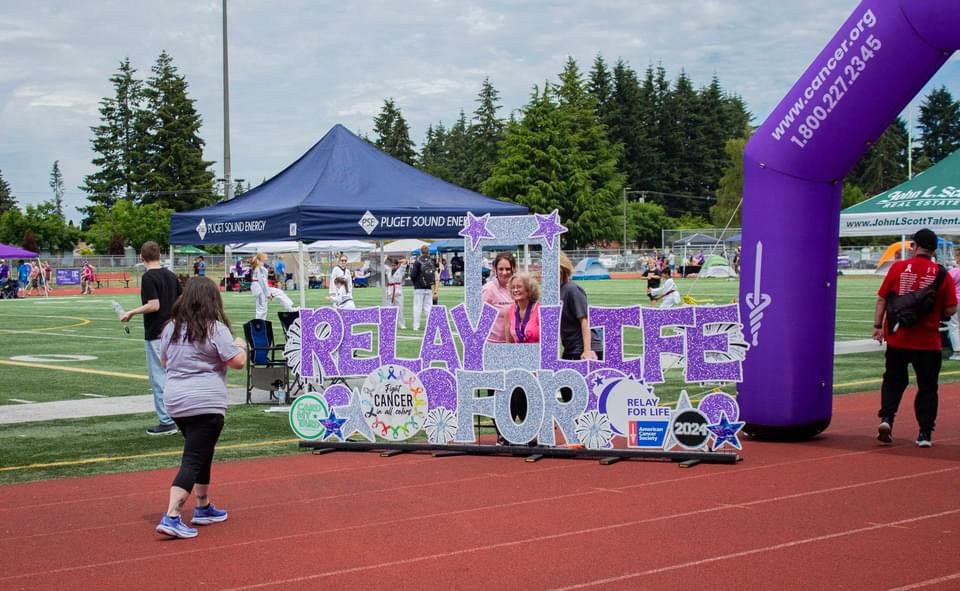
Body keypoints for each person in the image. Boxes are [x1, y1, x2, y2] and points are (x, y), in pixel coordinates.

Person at [154, 277, 246, 539]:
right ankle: (172, 514)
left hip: (176, 401)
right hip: (205, 400)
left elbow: (164, 361)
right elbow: (237, 362)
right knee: (194, 458)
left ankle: (203, 505)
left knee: (201, 451)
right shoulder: (215, 328)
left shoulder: (171, 327)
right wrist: (240, 345)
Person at [873, 228, 957, 448]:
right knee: (928, 387)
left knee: (893, 380)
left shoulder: (898, 268)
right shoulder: (942, 274)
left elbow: (882, 299)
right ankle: (924, 433)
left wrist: (877, 326)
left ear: (914, 246)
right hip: (928, 341)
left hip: (898, 337)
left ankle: (887, 419)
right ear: (933, 250)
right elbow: (950, 309)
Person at [119, 241, 183, 436]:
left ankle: (167, 420)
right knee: (175, 375)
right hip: (174, 331)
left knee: (159, 377)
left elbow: (153, 305)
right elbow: (181, 300)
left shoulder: (149, 277)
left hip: (156, 332)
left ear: (141, 257)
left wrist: (131, 312)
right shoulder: (171, 275)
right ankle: (180, 416)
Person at [559, 252, 602, 362]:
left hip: (584, 349)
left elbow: (585, 320)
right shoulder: (557, 291)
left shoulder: (572, 290)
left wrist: (587, 350)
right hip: (570, 348)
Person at [481, 252, 516, 344]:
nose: (504, 272)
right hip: (493, 343)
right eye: (501, 269)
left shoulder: (518, 288)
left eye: (508, 269)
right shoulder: (489, 289)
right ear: (495, 269)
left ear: (514, 269)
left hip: (514, 342)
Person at [250, 252, 296, 320]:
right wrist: (268, 294)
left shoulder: (260, 267)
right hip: (260, 289)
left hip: (261, 288)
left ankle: (290, 308)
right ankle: (259, 323)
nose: (267, 257)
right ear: (262, 258)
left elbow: (264, 283)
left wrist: (268, 292)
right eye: (266, 256)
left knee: (279, 292)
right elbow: (262, 282)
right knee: (262, 308)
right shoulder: (259, 268)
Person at [409, 245, 436, 331]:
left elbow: (413, 275)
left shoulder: (417, 261)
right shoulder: (431, 261)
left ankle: (416, 326)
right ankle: (430, 326)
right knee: (428, 308)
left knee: (417, 307)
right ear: (428, 251)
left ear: (420, 251)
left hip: (418, 287)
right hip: (428, 287)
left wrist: (415, 283)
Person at [384, 257, 407, 329]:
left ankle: (402, 324)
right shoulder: (388, 270)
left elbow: (405, 261)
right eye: (392, 265)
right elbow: (382, 264)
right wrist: (386, 257)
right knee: (389, 307)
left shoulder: (401, 270)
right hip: (390, 290)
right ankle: (389, 323)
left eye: (394, 265)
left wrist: (398, 261)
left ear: (397, 265)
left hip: (397, 290)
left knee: (400, 308)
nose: (393, 266)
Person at [948, 254, 960, 361]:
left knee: (954, 325)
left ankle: (957, 352)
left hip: (956, 301)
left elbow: (946, 284)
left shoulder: (954, 271)